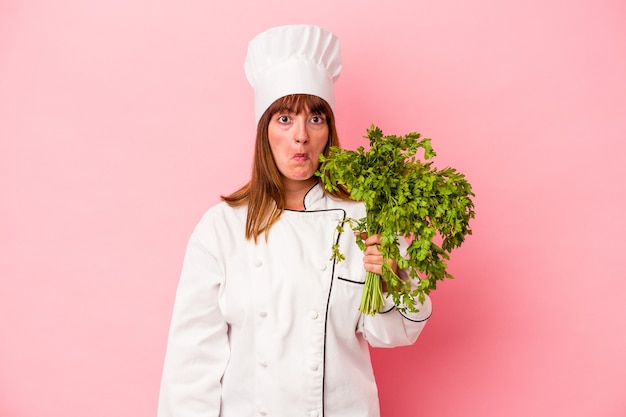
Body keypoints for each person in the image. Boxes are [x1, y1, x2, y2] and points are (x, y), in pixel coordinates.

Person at [158, 24, 432, 417]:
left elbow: (395, 335)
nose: (301, 136)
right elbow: (191, 364)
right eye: (285, 119)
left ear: (329, 130)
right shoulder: (222, 228)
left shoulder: (364, 220)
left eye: (316, 118)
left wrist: (392, 276)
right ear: (264, 131)